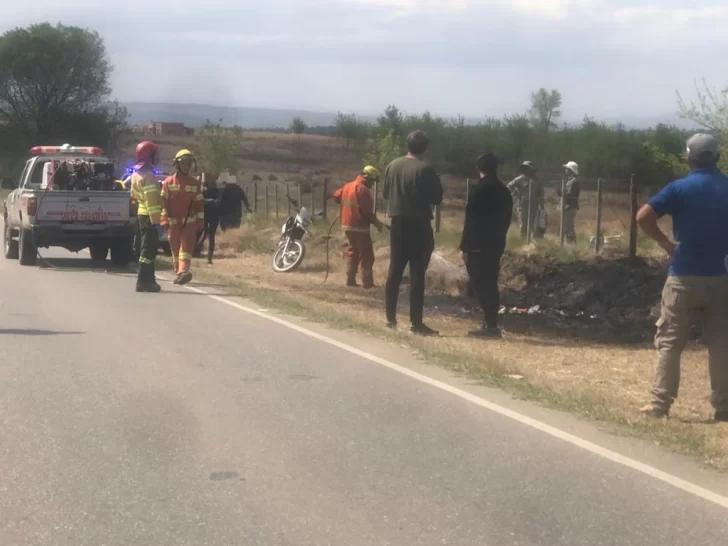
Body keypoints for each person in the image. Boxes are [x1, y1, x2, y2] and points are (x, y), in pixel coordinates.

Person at [636, 133, 728, 422]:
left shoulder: (679, 188)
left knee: (670, 342)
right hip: (722, 277)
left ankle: (660, 404)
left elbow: (643, 216)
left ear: (688, 157)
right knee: (721, 344)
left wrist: (665, 243)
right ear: (717, 156)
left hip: (684, 276)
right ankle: (724, 407)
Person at [382, 130, 444, 336]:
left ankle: (390, 318)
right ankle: (415, 323)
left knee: (395, 271)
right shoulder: (425, 169)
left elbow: (384, 193)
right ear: (425, 148)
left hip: (397, 223)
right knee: (417, 274)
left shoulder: (392, 165)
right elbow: (437, 198)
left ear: (407, 145)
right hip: (418, 224)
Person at [460, 153, 513, 338]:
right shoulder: (504, 191)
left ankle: (490, 326)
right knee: (491, 282)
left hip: (478, 245)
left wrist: (465, 246)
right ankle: (490, 322)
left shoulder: (480, 190)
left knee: (482, 284)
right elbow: (507, 219)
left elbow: (471, 220)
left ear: (478, 168)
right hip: (496, 243)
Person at [333, 165, 384, 288]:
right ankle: (367, 283)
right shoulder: (363, 190)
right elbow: (367, 212)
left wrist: (347, 208)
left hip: (347, 226)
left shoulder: (348, 186)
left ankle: (350, 280)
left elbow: (336, 196)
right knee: (366, 255)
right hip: (359, 227)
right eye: (372, 180)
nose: (372, 183)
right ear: (367, 177)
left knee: (353, 251)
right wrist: (378, 224)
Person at [160, 149, 204, 285]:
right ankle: (178, 271)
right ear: (177, 165)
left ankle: (183, 271)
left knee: (186, 249)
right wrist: (163, 219)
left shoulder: (195, 183)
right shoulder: (168, 183)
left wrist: (201, 220)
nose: (187, 166)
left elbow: (199, 204)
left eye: (189, 163)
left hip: (189, 222)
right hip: (173, 223)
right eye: (184, 163)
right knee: (174, 249)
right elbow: (163, 203)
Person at [129, 141, 163, 293]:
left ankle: (148, 279)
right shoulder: (148, 176)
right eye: (155, 154)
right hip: (149, 217)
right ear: (149, 157)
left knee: (145, 250)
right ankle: (144, 281)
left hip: (141, 215)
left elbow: (134, 197)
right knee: (148, 251)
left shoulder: (135, 175)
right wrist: (157, 222)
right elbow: (152, 202)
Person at [507, 161, 543, 239]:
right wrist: (516, 193)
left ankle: (533, 242)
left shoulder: (537, 180)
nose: (526, 170)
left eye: (528, 168)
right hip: (522, 204)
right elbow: (509, 186)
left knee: (534, 223)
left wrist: (542, 206)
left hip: (534, 205)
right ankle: (523, 240)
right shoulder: (520, 179)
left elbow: (541, 194)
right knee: (523, 223)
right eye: (525, 168)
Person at [196, 178, 222, 264]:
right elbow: (199, 201)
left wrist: (207, 201)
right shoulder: (203, 192)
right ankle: (197, 251)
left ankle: (209, 258)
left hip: (213, 217)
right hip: (206, 216)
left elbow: (218, 202)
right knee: (202, 235)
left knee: (210, 236)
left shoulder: (218, 191)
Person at [556, 161, 580, 243]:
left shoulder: (574, 181)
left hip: (569, 207)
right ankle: (569, 244)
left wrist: (561, 192)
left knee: (568, 227)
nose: (565, 170)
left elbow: (571, 195)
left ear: (570, 170)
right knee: (566, 227)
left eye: (567, 169)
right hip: (567, 207)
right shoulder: (570, 181)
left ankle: (572, 244)